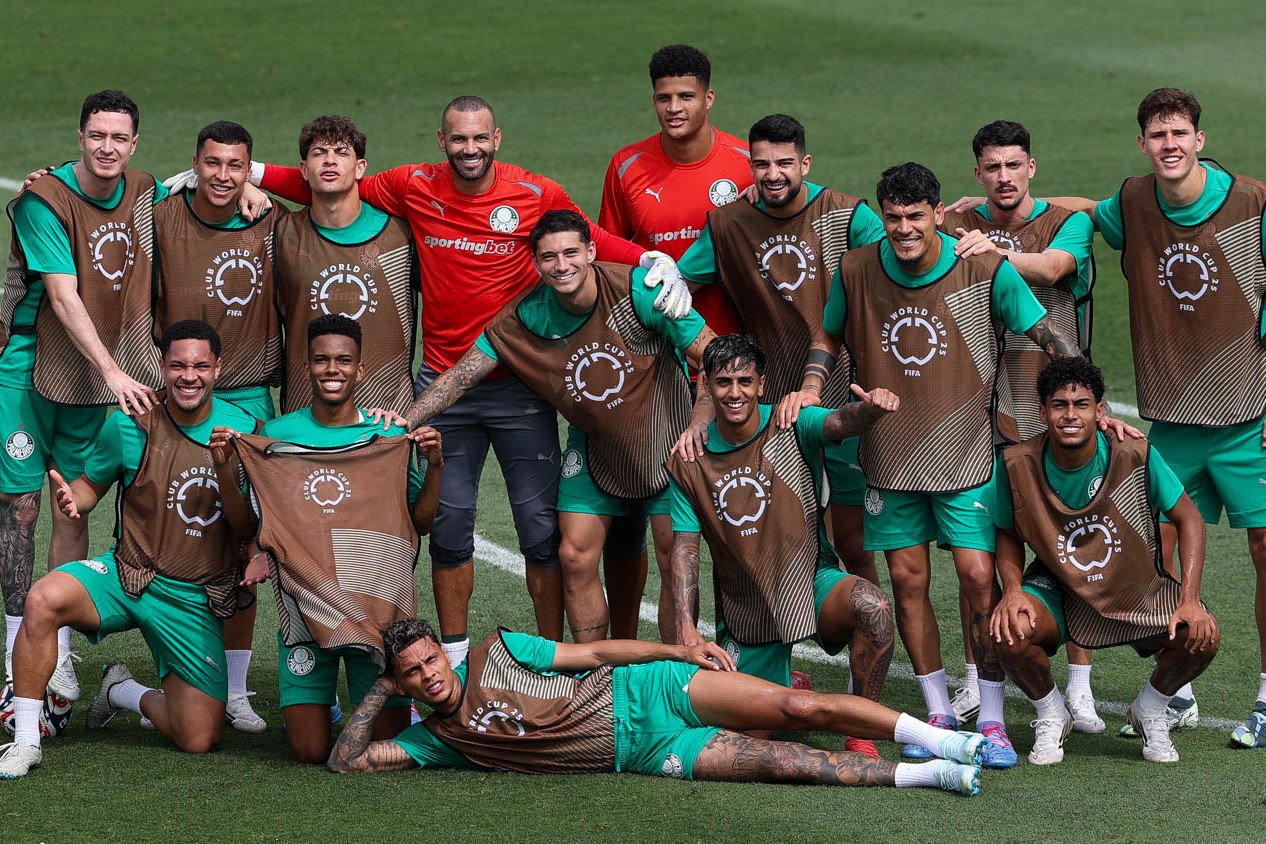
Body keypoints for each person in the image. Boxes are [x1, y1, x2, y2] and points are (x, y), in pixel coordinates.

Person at [249, 96, 690, 665]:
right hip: (443, 386)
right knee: (450, 528)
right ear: (442, 140)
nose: (470, 149)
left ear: (497, 138)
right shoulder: (414, 185)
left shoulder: (536, 194)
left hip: (521, 387)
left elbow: (587, 239)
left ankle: (550, 656)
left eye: (480, 138)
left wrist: (654, 259)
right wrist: (251, 175)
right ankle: (454, 657)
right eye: (459, 139)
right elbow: (328, 182)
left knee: (539, 530)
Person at [813, 162, 1103, 769]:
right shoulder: (857, 267)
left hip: (967, 454)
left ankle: (992, 720)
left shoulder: (983, 266)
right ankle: (938, 711)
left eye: (915, 216)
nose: (902, 229)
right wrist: (813, 386)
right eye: (892, 217)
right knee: (907, 583)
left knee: (978, 578)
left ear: (937, 213)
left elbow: (1043, 329)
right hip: (890, 457)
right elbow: (828, 335)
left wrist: (1088, 396)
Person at [1031, 88, 1265, 744]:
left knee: (1265, 550)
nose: (1169, 144)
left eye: (1180, 133)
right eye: (1157, 135)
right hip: (1175, 420)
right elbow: (1093, 214)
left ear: (1199, 138)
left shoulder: (1251, 200)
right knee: (1155, 552)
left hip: (1251, 415)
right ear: (1143, 144)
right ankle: (1176, 686)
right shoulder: (1133, 201)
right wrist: (1017, 211)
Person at [396, 211, 714, 643]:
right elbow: (461, 376)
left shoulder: (638, 290)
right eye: (549, 257)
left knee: (672, 555)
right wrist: (403, 423)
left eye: (570, 253)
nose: (561, 265)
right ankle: (593, 679)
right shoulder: (524, 319)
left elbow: (715, 355)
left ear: (591, 252)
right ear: (535, 263)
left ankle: (680, 677)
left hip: (668, 441)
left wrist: (699, 421)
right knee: (574, 555)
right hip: (595, 446)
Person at [325, 617, 987, 797]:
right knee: (785, 762)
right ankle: (937, 773)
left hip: (646, 689)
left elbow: (590, 654)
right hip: (643, 751)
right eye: (412, 673)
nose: (428, 675)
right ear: (405, 684)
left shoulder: (501, 650)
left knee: (794, 707)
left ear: (445, 652)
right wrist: (381, 689)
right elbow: (347, 762)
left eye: (429, 660)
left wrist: (675, 648)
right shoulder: (435, 742)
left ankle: (944, 740)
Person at [0, 321, 258, 779]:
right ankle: (24, 741)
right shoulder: (129, 422)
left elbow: (245, 527)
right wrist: (71, 498)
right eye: (177, 365)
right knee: (42, 598)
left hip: (193, 598)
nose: (188, 376)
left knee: (199, 738)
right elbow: (88, 489)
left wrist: (224, 471)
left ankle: (122, 690)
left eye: (200, 365)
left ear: (218, 368)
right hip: (127, 575)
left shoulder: (246, 431)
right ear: (162, 366)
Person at [212, 313, 442, 763]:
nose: (331, 369)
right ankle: (325, 700)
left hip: (375, 600)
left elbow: (422, 520)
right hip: (305, 601)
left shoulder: (388, 435)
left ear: (360, 369)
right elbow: (247, 524)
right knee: (309, 751)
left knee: (386, 740)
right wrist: (225, 467)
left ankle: (363, 690)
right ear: (307, 367)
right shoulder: (276, 436)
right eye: (321, 360)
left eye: (342, 360)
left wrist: (435, 466)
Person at [0, 91, 163, 710]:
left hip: (88, 379)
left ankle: (58, 659)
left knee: (73, 510)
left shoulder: (143, 188)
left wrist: (255, 189)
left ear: (134, 144)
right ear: (79, 137)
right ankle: (19, 660)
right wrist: (115, 372)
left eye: (119, 138)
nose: (108, 148)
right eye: (97, 136)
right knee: (18, 510)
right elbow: (63, 297)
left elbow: (192, 187)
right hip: (27, 368)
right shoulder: (43, 200)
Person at [676, 114, 887, 589]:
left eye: (785, 163)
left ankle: (865, 637)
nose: (773, 174)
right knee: (781, 534)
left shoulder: (848, 213)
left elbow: (895, 264)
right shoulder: (730, 224)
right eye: (762, 164)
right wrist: (705, 347)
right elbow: (672, 290)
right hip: (765, 408)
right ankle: (782, 645)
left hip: (840, 396)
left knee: (853, 540)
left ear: (805, 163)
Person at [939, 120, 1100, 732]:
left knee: (1075, 546)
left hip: (1060, 417)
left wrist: (995, 251)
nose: (1004, 177)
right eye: (992, 168)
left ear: (1032, 167)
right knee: (976, 557)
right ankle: (977, 677)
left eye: (1014, 165)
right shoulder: (958, 226)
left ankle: (1081, 688)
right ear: (977, 174)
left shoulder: (1067, 224)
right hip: (985, 416)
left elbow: (1057, 268)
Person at [666, 335, 896, 757]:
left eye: (744, 381)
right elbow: (684, 550)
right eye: (722, 382)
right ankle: (787, 680)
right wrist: (685, 626)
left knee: (873, 606)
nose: (734, 392)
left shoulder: (790, 423)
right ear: (708, 387)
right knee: (753, 740)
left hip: (810, 584)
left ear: (761, 384)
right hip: (748, 608)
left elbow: (838, 423)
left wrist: (870, 410)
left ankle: (861, 730)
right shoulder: (689, 459)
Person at [597, 42, 753, 639]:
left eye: (686, 96)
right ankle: (676, 667)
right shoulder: (627, 166)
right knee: (672, 541)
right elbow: (608, 259)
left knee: (743, 525)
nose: (674, 107)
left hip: (736, 370)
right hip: (659, 374)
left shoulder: (744, 162)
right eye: (663, 97)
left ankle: (759, 652)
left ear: (708, 98)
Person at [991, 357, 1218, 764]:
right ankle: (1051, 713)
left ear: (1100, 410)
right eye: (1059, 405)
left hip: (1128, 585)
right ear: (1043, 412)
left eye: (1081, 404)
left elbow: (1190, 518)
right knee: (1009, 632)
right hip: (1057, 588)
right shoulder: (1016, 464)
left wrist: (1189, 597)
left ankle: (1151, 708)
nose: (1070, 415)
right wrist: (1010, 591)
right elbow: (1007, 533)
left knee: (1201, 635)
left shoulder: (1134, 453)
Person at [152, 120, 285, 732]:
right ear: (195, 165)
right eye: (211, 164)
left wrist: (261, 190)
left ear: (249, 167)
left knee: (246, 539)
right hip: (178, 391)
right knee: (165, 528)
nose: (224, 176)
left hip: (249, 394)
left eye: (236, 165)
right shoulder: (163, 209)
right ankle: (172, 674)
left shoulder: (271, 218)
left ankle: (235, 690)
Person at [273, 115, 418, 418]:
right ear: (303, 169)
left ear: (360, 167)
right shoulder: (282, 232)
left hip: (388, 417)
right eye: (318, 153)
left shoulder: (402, 235)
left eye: (341, 153)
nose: (329, 161)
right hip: (307, 416)